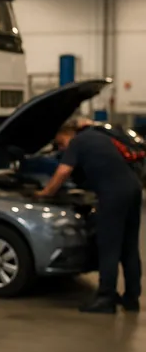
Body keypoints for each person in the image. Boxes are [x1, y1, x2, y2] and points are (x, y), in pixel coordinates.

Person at [35, 120, 142, 314]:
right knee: (129, 246)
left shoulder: (78, 142)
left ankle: (105, 298)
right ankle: (132, 298)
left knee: (109, 246)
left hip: (114, 193)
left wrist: (45, 193)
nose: (60, 148)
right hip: (133, 189)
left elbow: (63, 172)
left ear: (67, 134)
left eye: (60, 143)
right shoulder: (97, 136)